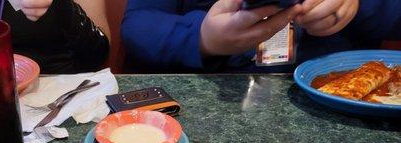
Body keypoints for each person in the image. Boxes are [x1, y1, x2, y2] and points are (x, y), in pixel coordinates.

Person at [121, 0, 401, 72]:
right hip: (214, 92)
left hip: (341, 88)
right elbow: (139, 26)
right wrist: (203, 39)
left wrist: (359, 5)